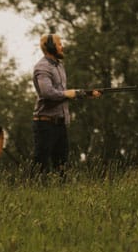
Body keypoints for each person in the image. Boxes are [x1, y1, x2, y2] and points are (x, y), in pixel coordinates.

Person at [31, 33, 98, 175]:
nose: (62, 47)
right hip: (45, 124)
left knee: (62, 166)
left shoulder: (59, 66)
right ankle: (30, 193)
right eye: (59, 44)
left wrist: (85, 94)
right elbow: (47, 93)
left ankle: (61, 194)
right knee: (39, 166)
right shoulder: (42, 67)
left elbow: (63, 93)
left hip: (60, 124)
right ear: (50, 47)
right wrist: (68, 94)